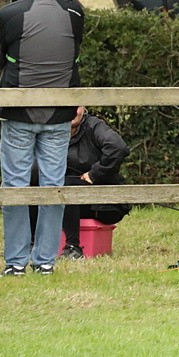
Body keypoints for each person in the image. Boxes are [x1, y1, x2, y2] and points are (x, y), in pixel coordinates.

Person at [0, 0, 85, 276]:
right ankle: (45, 260)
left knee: (15, 186)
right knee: (53, 185)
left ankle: (15, 263)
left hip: (18, 110)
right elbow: (74, 55)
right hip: (59, 112)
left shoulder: (8, 14)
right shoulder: (75, 12)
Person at [29, 106, 131, 259]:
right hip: (59, 202)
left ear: (84, 108)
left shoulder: (94, 126)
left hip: (103, 204)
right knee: (33, 184)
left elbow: (118, 147)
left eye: (75, 106)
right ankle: (31, 245)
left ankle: (73, 247)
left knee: (66, 186)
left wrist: (95, 174)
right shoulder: (47, 131)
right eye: (65, 106)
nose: (71, 111)